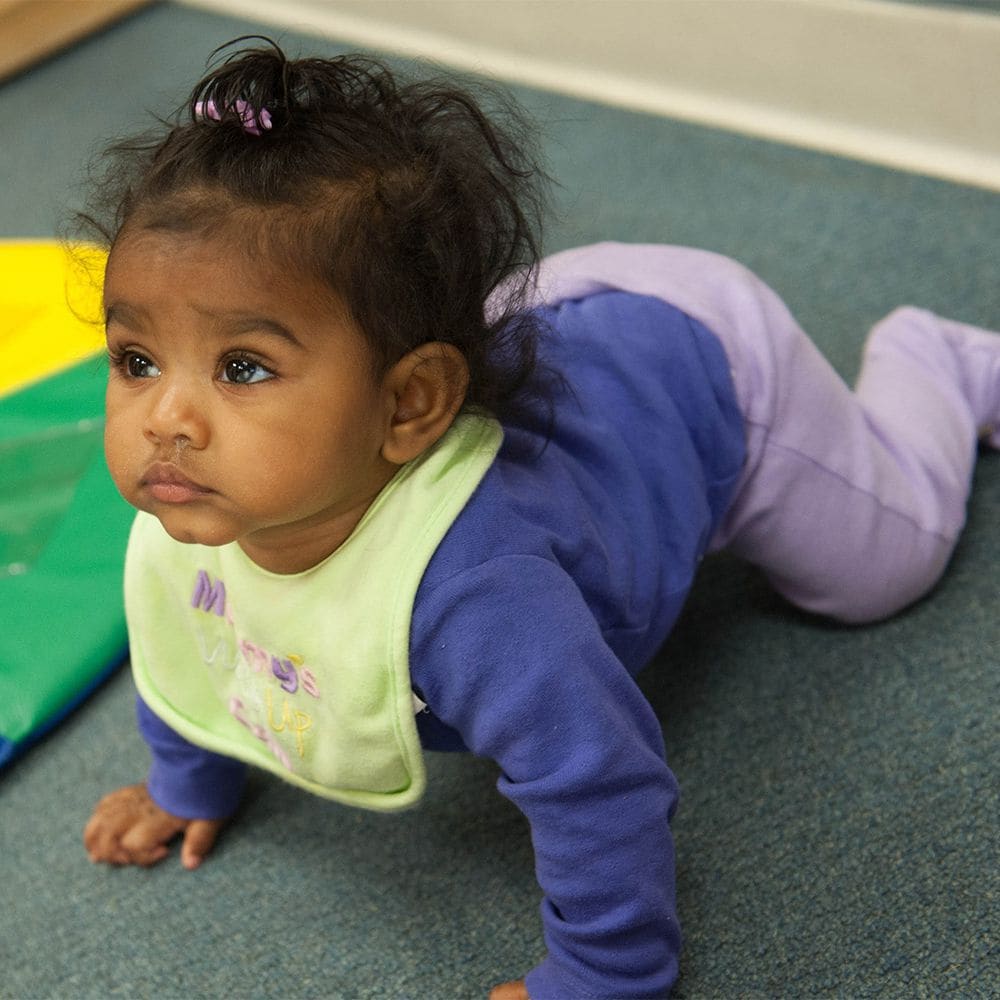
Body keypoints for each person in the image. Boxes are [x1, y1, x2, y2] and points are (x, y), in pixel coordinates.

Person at [82, 38, 1000, 999]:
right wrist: (185, 781)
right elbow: (191, 637)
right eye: (136, 359)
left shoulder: (478, 595)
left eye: (241, 368)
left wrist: (609, 975)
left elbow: (601, 786)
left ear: (408, 407)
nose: (164, 422)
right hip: (547, 314)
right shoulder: (199, 502)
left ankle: (936, 360)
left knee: (882, 570)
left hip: (708, 365)